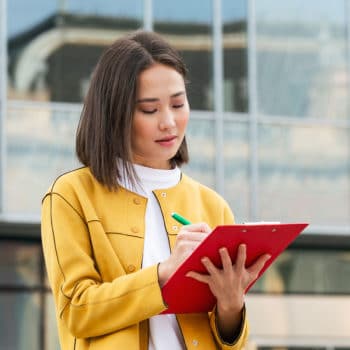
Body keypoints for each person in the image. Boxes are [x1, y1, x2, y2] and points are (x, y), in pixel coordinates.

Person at [41, 30, 270, 350]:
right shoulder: (72, 195)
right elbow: (77, 311)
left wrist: (231, 306)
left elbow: (233, 342)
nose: (170, 122)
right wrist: (163, 274)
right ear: (115, 114)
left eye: (178, 104)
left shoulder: (212, 205)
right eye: (150, 110)